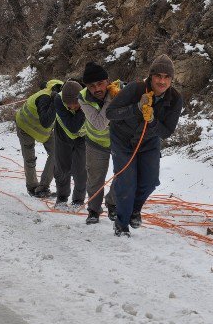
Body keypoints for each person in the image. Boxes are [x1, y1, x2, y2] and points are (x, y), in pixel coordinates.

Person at [106, 54, 183, 237]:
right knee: (126, 182)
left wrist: (153, 120)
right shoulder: (135, 89)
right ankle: (121, 224)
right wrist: (136, 109)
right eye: (158, 76)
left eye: (166, 77)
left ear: (171, 79)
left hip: (148, 142)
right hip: (122, 140)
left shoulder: (175, 99)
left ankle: (135, 209)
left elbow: (167, 131)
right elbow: (110, 113)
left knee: (150, 181)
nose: (162, 81)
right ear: (151, 76)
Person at [77, 62, 120, 224]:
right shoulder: (82, 98)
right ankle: (94, 210)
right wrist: (111, 99)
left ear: (108, 81)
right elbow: (100, 124)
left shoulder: (120, 90)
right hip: (96, 142)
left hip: (119, 141)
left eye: (100, 83)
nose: (97, 89)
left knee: (122, 174)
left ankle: (113, 203)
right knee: (95, 178)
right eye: (91, 86)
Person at [15, 79, 63, 198]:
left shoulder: (61, 98)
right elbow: (46, 121)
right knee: (30, 159)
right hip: (25, 126)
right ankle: (32, 187)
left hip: (43, 132)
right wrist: (55, 102)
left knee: (56, 153)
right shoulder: (44, 98)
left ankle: (43, 187)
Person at [53, 80, 87, 210]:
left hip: (83, 138)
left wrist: (83, 106)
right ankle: (61, 198)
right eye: (69, 106)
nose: (72, 108)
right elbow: (72, 127)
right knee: (62, 168)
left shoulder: (87, 98)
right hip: (62, 135)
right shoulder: (58, 99)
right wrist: (82, 110)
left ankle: (78, 200)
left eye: (76, 105)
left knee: (81, 170)